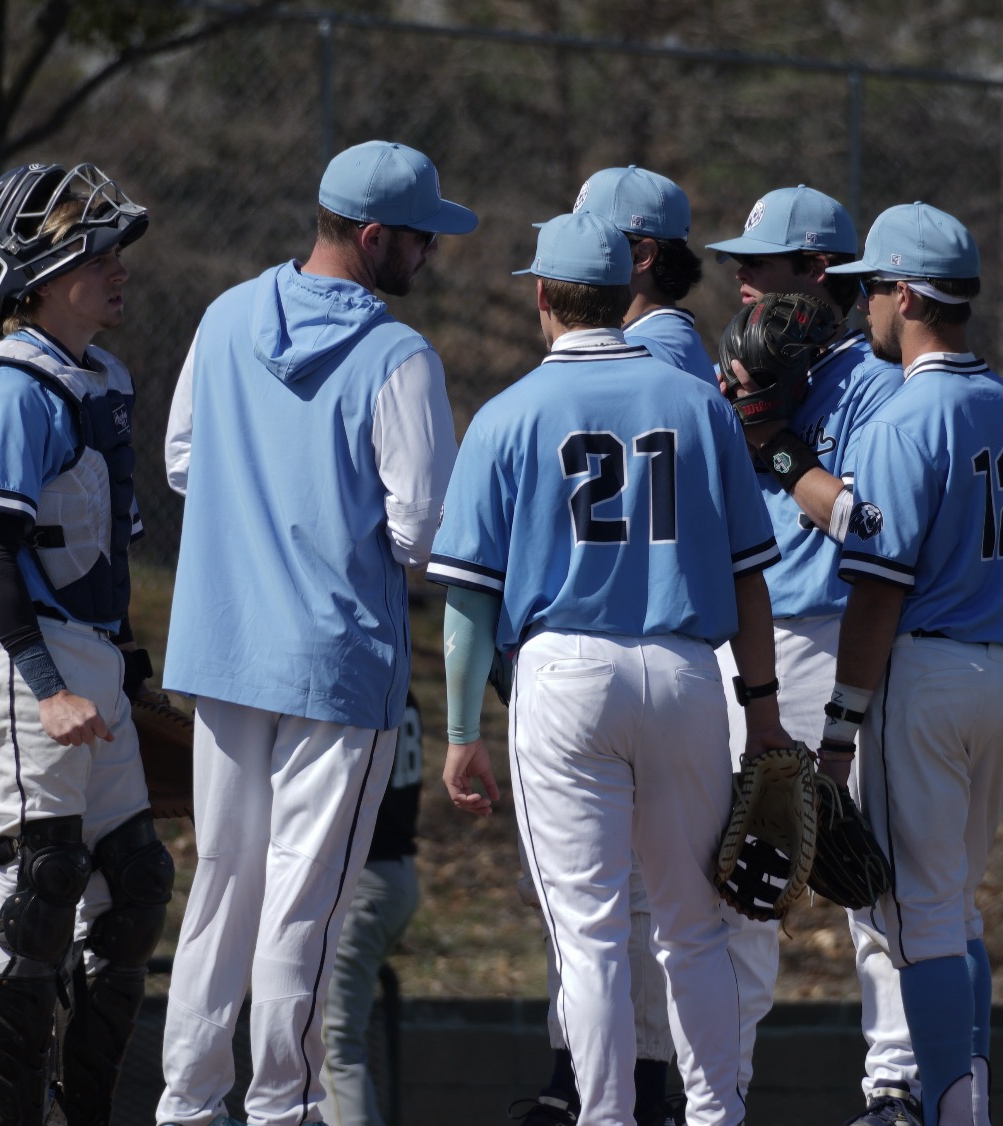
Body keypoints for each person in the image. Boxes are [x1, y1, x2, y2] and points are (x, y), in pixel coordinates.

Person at [434, 212, 788, 1126]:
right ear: (625, 290)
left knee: (589, 936)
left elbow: (470, 602)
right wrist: (767, 710)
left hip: (563, 674)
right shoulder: (698, 401)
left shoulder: (509, 413)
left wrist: (464, 732)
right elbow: (750, 576)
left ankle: (604, 1117)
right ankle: (716, 1116)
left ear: (545, 296)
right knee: (693, 928)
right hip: (682, 671)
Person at [157, 139, 471, 1126]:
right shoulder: (397, 355)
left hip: (222, 644)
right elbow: (424, 526)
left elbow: (179, 461)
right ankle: (279, 1108)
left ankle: (186, 1102)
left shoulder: (223, 315)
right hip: (337, 665)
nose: (428, 258)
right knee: (305, 903)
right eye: (419, 240)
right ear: (373, 237)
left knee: (221, 887)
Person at [813, 202, 1003, 1126]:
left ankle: (954, 1111)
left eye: (873, 287)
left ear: (908, 294)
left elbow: (878, 591)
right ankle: (973, 1097)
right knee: (951, 911)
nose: (864, 305)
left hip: (926, 678)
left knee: (915, 919)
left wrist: (838, 728)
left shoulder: (905, 416)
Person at [0, 160, 175, 1126]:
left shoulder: (96, 383)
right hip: (16, 649)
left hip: (86, 657)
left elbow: (105, 572)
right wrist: (44, 684)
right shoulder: (12, 391)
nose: (119, 266)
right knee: (38, 882)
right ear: (39, 275)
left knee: (135, 884)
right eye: (97, 250)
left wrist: (131, 676)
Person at [703, 184, 909, 1118]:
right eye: (737, 262)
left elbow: (868, 523)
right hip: (744, 641)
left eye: (761, 262)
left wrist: (777, 445)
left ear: (818, 274)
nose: (740, 278)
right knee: (744, 872)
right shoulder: (747, 369)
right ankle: (723, 1092)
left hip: (832, 632)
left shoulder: (874, 382)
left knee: (868, 873)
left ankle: (895, 1084)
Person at [510, 164, 709, 1126]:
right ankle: (626, 1084)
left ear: (633, 253)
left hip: (614, 648)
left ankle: (626, 1087)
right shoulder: (657, 350)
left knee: (627, 905)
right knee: (639, 906)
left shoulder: (656, 350)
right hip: (664, 665)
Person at [317, 694, 425, 1126]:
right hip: (390, 876)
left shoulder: (365, 680)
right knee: (326, 1039)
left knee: (331, 1044)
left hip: (367, 880)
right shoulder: (397, 682)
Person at [567, 164, 712, 377]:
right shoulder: (666, 340)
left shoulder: (643, 353)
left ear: (640, 256)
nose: (571, 254)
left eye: (592, 242)